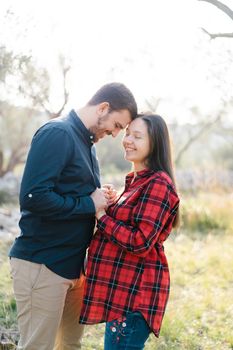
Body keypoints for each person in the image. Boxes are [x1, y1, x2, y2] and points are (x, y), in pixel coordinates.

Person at [8, 82, 137, 350]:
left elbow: (73, 192)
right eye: (116, 125)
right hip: (43, 265)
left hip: (74, 269)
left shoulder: (87, 144)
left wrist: (100, 197)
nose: (114, 134)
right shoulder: (58, 133)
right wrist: (88, 204)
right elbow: (33, 197)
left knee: (70, 347)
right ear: (103, 108)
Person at [80, 113, 180, 350]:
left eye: (137, 136)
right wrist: (111, 202)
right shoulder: (136, 180)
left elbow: (140, 241)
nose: (127, 140)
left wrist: (101, 216)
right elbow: (130, 222)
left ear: (155, 143)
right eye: (127, 133)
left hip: (135, 297)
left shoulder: (158, 183)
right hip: (121, 296)